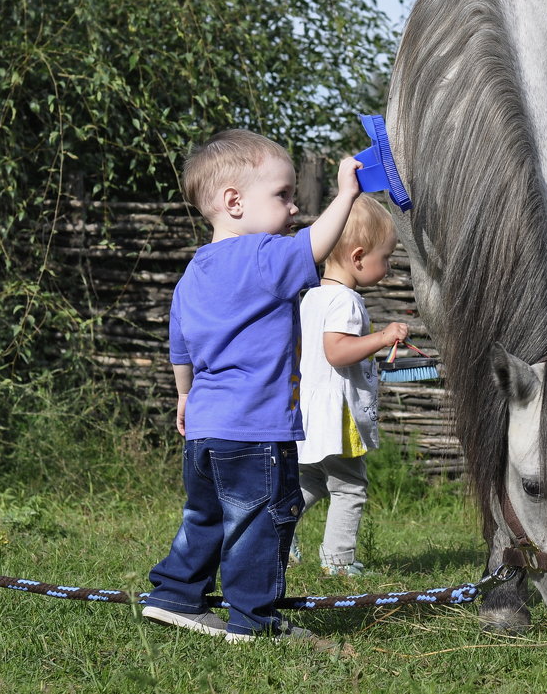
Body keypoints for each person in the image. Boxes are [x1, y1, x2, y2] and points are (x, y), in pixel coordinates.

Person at [141, 128, 361, 651]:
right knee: (258, 523)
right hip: (256, 430)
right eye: (283, 195)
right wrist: (346, 194)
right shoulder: (264, 256)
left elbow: (181, 348)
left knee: (206, 515)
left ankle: (175, 593)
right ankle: (254, 621)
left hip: (205, 430)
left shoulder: (193, 272)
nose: (293, 209)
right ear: (233, 202)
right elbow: (315, 246)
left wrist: (185, 398)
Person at [289, 195, 408, 576]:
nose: (388, 268)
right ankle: (339, 561)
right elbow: (337, 352)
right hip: (335, 414)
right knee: (349, 488)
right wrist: (383, 337)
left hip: (307, 411)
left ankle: (277, 533)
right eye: (385, 258)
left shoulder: (311, 297)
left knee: (310, 480)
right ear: (358, 258)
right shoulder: (347, 301)